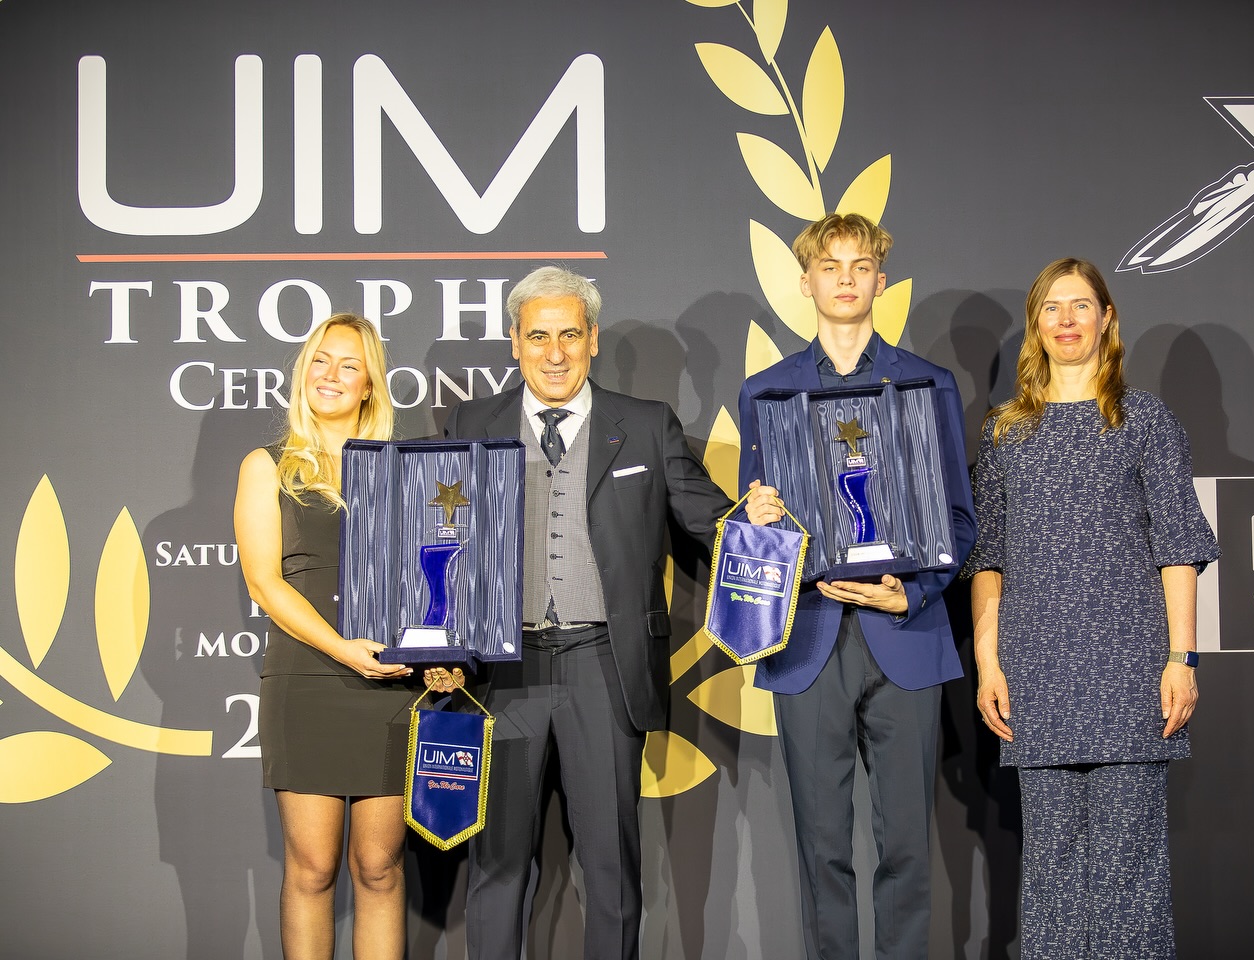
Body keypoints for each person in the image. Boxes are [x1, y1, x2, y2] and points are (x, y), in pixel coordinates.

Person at [426, 266, 746, 960]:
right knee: (497, 867)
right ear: (515, 341)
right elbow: (435, 543)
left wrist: (772, 531)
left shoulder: (646, 424)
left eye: (570, 333)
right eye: (538, 335)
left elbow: (719, 525)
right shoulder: (468, 422)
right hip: (496, 672)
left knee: (611, 870)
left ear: (593, 339)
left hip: (604, 666)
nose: (555, 352)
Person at [966, 258, 1220, 959]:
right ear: (1036, 325)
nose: (1068, 319)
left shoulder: (1144, 420)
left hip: (1131, 678)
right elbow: (987, 559)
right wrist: (989, 663)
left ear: (1107, 318)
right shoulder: (1003, 433)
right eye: (1053, 307)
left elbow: (1179, 546)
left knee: (1128, 879)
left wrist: (1182, 657)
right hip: (1035, 680)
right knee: (1049, 879)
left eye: (1081, 305)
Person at [739, 213, 976, 960]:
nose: (846, 277)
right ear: (805, 281)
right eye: (831, 265)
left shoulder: (926, 381)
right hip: (807, 640)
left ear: (881, 277)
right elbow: (756, 539)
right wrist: (755, 517)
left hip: (906, 636)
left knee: (908, 847)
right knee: (822, 854)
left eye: (861, 263)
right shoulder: (765, 392)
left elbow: (960, 521)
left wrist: (917, 593)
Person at [234, 314, 414, 960]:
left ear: (370, 385)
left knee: (380, 868)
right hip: (308, 682)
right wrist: (343, 651)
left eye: (348, 365)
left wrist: (441, 654)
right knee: (311, 869)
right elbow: (265, 584)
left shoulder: (404, 471)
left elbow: (435, 578)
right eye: (319, 361)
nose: (330, 376)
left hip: (392, 686)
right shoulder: (268, 467)